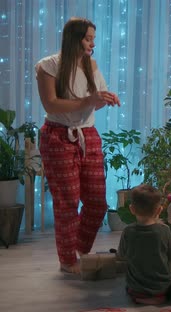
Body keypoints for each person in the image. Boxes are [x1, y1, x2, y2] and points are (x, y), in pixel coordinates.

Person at [35, 17, 120, 274]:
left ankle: (81, 250)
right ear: (74, 39)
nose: (92, 43)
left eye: (93, 38)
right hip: (57, 137)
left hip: (88, 135)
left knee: (97, 202)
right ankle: (67, 261)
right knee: (67, 203)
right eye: (88, 38)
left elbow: (94, 101)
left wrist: (105, 98)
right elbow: (51, 104)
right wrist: (89, 101)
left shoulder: (90, 64)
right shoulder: (47, 66)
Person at [116, 184, 171, 305]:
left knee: (128, 289)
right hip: (162, 286)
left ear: (132, 209)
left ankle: (147, 299)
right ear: (159, 210)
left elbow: (121, 255)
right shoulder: (164, 230)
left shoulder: (128, 231)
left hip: (138, 288)